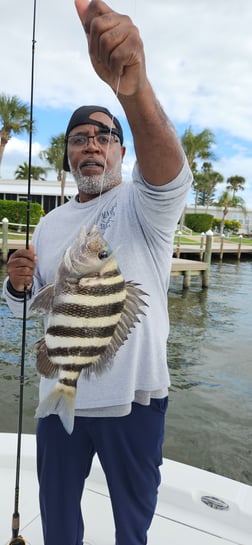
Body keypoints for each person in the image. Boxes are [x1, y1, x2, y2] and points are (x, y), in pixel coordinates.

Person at [3, 1, 192, 544]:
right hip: (59, 388)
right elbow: (33, 304)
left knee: (132, 525)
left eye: (103, 136)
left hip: (135, 398)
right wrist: (16, 287)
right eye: (80, 138)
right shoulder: (50, 224)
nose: (91, 144)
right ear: (67, 156)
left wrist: (133, 92)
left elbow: (169, 172)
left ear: (120, 150)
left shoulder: (144, 202)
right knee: (59, 519)